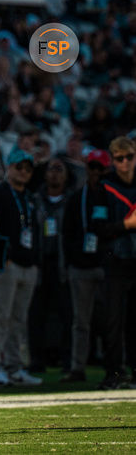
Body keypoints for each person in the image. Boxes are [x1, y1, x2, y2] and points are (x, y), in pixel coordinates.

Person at [0, 149, 43, 386]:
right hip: (7, 264)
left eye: (28, 169)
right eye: (20, 167)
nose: (24, 172)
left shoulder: (30, 197)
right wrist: (3, 255)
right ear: (9, 168)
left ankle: (15, 366)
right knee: (0, 316)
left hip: (28, 264)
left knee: (19, 318)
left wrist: (36, 260)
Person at [60, 149, 110, 382]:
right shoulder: (76, 198)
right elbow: (66, 234)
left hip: (107, 267)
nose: (96, 173)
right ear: (87, 169)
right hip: (81, 267)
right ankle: (77, 367)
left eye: (101, 168)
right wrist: (70, 263)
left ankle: (114, 367)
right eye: (93, 168)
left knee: (112, 320)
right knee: (81, 322)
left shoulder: (114, 198)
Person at [96, 137, 136, 389]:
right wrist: (126, 226)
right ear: (112, 160)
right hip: (115, 263)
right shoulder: (104, 188)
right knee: (112, 321)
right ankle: (114, 373)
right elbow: (97, 227)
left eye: (129, 157)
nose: (125, 163)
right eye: (119, 158)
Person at [29, 156, 74, 373]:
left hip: (63, 264)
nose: (54, 173)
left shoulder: (72, 200)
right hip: (39, 263)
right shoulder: (35, 199)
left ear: (66, 176)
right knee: (36, 314)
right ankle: (37, 361)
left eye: (59, 169)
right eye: (51, 169)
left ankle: (68, 361)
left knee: (68, 315)